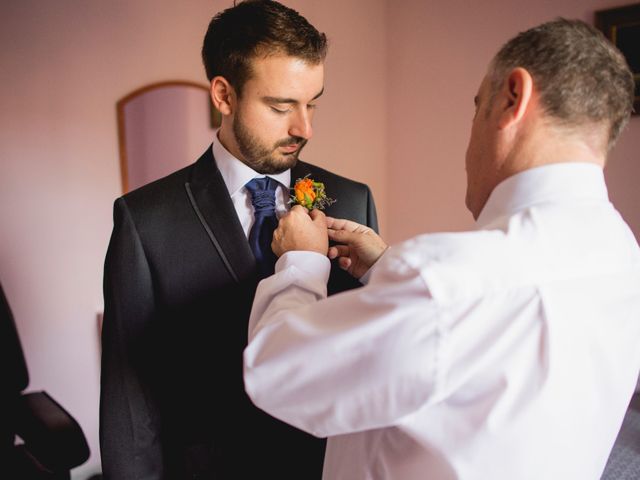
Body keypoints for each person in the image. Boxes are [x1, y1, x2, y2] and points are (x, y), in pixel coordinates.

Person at [243, 18, 640, 479]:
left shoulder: (450, 283)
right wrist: (390, 270)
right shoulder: (621, 255)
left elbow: (277, 372)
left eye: (477, 108)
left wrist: (301, 263)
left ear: (513, 98)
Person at [99, 1, 378, 478]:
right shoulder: (145, 221)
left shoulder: (352, 201)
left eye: (312, 103)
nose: (304, 128)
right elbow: (130, 407)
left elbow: (371, 356)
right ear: (224, 95)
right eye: (281, 106)